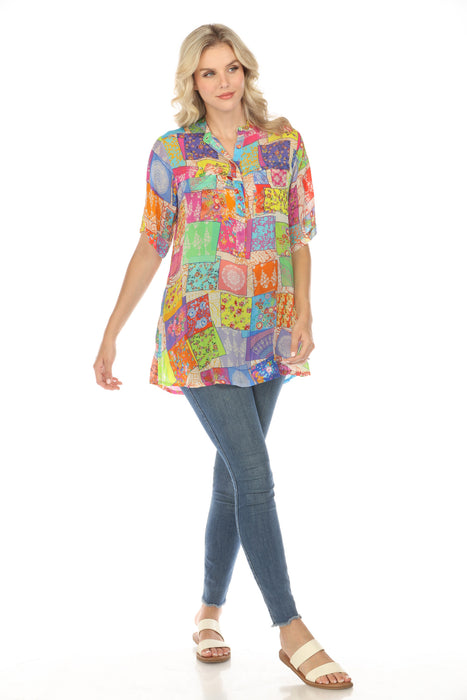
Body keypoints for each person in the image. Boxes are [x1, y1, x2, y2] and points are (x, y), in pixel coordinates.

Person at [93, 23, 353, 690]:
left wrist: (304, 311)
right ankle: (290, 630)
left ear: (246, 70)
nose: (223, 81)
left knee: (233, 477)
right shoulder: (173, 151)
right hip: (200, 332)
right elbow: (151, 243)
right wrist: (111, 331)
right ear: (192, 81)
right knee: (253, 472)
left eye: (231, 67)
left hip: (269, 329)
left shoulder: (284, 143)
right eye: (208, 72)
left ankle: (208, 613)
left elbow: (298, 234)